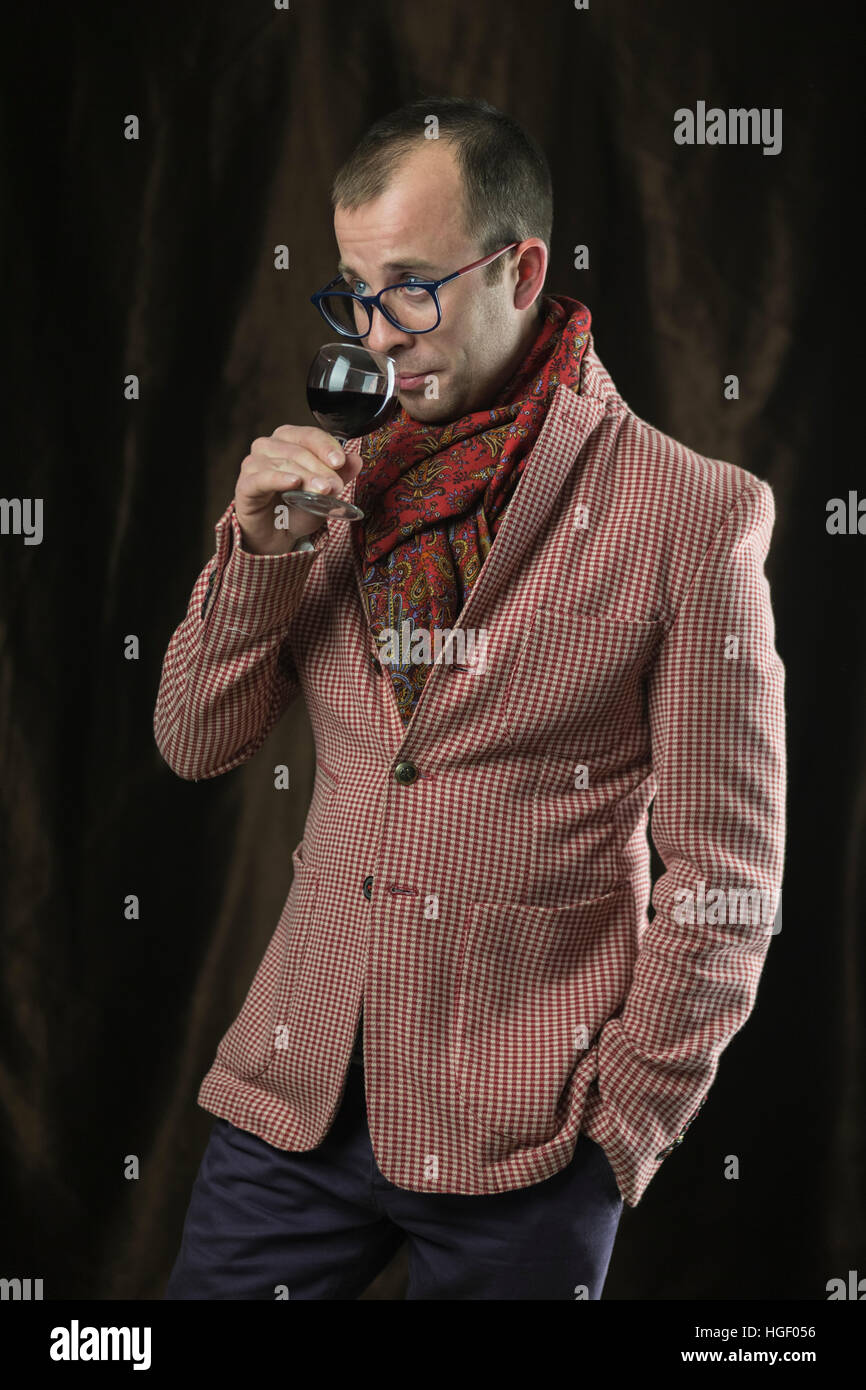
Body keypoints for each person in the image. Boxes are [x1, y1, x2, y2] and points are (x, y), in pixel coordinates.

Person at [155, 96, 786, 1300]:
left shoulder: (690, 514)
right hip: (294, 1102)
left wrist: (620, 1133)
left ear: (520, 268)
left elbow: (727, 873)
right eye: (352, 290)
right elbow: (190, 740)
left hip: (528, 1142)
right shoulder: (331, 485)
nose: (375, 337)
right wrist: (255, 561)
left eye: (409, 286)